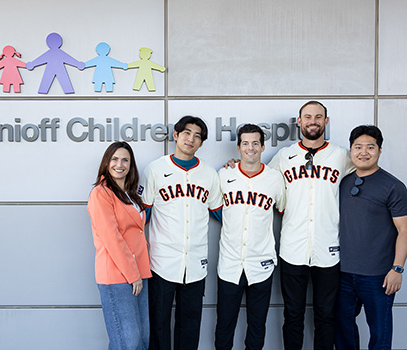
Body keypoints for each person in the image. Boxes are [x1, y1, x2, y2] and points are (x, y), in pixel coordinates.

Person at [226, 101, 355, 349]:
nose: (313, 121)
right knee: (293, 315)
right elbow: (257, 175)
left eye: (318, 117)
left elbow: (364, 165)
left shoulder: (340, 155)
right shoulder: (284, 157)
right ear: (299, 121)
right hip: (292, 249)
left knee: (326, 316)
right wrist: (234, 165)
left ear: (326, 122)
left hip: (328, 249)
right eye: (308, 117)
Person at [139, 116, 223, 350]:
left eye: (197, 136)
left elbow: (219, 213)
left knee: (190, 325)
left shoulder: (209, 173)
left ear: (201, 143)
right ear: (176, 135)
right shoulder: (155, 169)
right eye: (187, 133)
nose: (191, 139)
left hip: (195, 263)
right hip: (162, 261)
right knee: (159, 324)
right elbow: (141, 216)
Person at [335, 125, 407, 350]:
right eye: (358, 147)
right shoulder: (344, 182)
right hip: (343, 274)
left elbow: (405, 231)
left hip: (379, 276)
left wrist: (397, 269)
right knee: (344, 332)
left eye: (370, 147)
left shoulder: (394, 187)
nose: (363, 152)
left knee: (380, 334)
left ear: (380, 151)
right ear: (350, 151)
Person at [216, 124, 286, 350]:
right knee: (225, 324)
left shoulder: (275, 179)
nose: (250, 148)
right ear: (238, 147)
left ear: (263, 146)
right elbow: (215, 208)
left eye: (255, 143)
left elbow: (283, 209)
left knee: (257, 325)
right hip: (230, 262)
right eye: (245, 143)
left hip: (261, 263)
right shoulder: (224, 174)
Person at [87, 141, 151, 350]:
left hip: (139, 274)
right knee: (127, 341)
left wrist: (138, 274)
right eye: (114, 159)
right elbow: (112, 238)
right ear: (106, 162)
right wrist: (133, 275)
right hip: (117, 275)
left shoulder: (131, 194)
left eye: (125, 160)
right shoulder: (101, 193)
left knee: (142, 338)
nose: (119, 164)